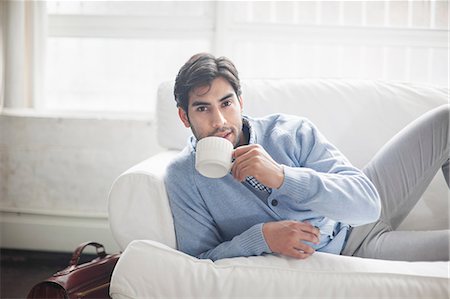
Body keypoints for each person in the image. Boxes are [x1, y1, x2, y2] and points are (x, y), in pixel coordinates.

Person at [164, 52, 450, 262]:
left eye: (226, 103)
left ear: (240, 102)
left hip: (358, 208)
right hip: (354, 248)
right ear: (184, 117)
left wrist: (283, 177)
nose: (219, 120)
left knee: (445, 121)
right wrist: (261, 237)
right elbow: (198, 259)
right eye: (203, 109)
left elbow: (367, 203)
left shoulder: (290, 132)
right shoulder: (184, 176)